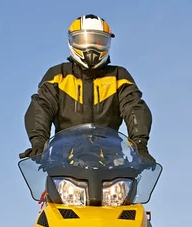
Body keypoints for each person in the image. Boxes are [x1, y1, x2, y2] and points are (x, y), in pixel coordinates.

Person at [21, 14, 154, 162]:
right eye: (84, 40)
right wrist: (39, 143)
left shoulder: (118, 77)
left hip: (112, 163)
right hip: (63, 162)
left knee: (129, 184)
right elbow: (41, 107)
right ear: (72, 41)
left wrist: (140, 145)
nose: (91, 46)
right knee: (48, 185)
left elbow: (134, 108)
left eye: (99, 41)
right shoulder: (58, 76)